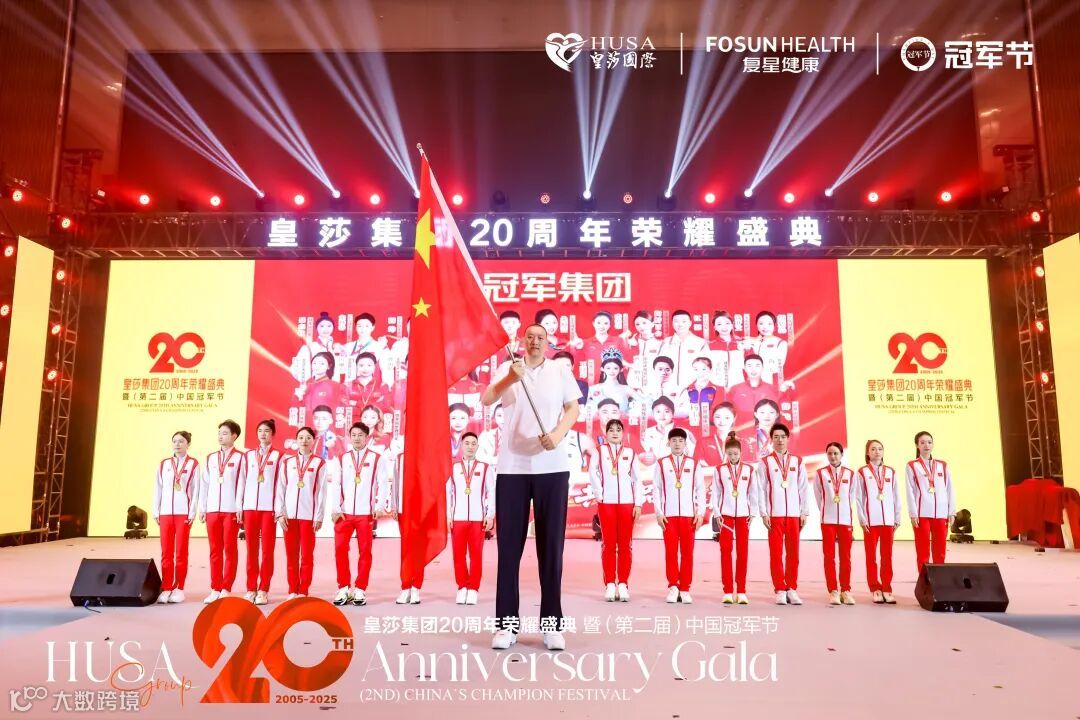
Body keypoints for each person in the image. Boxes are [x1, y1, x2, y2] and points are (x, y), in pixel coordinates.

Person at [482, 324, 582, 652]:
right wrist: (510, 379)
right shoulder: (509, 367)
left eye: (541, 337)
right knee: (509, 550)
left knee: (551, 550)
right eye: (530, 337)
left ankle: (551, 626)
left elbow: (573, 408)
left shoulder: (559, 370)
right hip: (512, 467)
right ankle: (506, 626)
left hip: (552, 467)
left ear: (547, 342)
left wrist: (557, 435)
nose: (535, 341)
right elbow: (487, 398)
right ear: (522, 341)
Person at [329, 422, 390, 607]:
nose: (356, 438)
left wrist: (379, 505)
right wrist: (335, 508)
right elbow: (336, 484)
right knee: (340, 549)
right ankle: (343, 587)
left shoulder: (377, 459)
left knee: (365, 551)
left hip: (366, 514)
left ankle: (360, 588)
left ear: (367, 437)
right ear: (350, 437)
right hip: (344, 514)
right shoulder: (342, 458)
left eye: (360, 435)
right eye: (353, 435)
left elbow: (383, 483)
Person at [587, 419, 643, 602]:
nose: (615, 433)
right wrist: (599, 494)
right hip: (607, 503)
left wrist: (638, 503)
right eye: (611, 430)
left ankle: (623, 584)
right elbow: (592, 472)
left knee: (625, 545)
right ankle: (610, 583)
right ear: (606, 433)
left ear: (623, 433)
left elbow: (637, 479)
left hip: (627, 503)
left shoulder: (630, 453)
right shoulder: (599, 451)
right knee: (609, 544)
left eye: (618, 430)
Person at [755, 423, 809, 605]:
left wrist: (804, 511)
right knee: (776, 554)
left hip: (794, 515)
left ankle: (791, 588)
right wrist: (764, 513)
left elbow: (803, 488)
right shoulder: (765, 462)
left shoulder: (797, 461)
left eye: (783, 437)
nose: (780, 440)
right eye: (776, 437)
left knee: (793, 554)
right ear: (771, 439)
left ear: (788, 438)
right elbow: (760, 489)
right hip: (774, 515)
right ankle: (779, 589)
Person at [275, 426, 329, 600]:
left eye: (308, 438)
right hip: (289, 517)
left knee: (306, 555)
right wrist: (280, 513)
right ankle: (292, 589)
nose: (304, 441)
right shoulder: (287, 463)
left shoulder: (319, 463)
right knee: (291, 555)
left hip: (308, 517)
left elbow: (321, 492)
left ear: (313, 441)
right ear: (296, 440)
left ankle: (303, 590)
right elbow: (280, 489)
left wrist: (319, 516)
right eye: (301, 437)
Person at [653, 428, 706, 604]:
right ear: (668, 443)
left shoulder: (694, 464)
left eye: (680, 441)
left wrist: (700, 513)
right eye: (674, 440)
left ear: (685, 443)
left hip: (689, 516)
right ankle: (673, 587)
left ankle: (684, 588)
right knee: (670, 552)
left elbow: (700, 489)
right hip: (668, 517)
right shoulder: (661, 463)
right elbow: (656, 489)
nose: (677, 444)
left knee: (687, 553)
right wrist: (659, 513)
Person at [200, 420, 246, 604]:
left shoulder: (241, 458)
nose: (220, 436)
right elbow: (205, 484)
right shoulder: (211, 458)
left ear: (234, 436)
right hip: (212, 510)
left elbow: (242, 484)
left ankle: (226, 587)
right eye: (219, 433)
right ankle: (215, 588)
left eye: (225, 433)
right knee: (214, 550)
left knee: (230, 549)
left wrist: (239, 507)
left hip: (230, 510)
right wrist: (203, 507)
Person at [448, 432, 495, 605]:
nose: (470, 446)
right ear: (461, 446)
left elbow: (492, 492)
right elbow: (447, 493)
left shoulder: (485, 468)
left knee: (476, 555)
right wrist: (448, 515)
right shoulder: (453, 468)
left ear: (477, 447)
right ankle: (462, 587)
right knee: (458, 555)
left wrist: (490, 515)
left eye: (473, 443)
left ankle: (473, 588)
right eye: (467, 443)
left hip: (478, 518)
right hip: (458, 518)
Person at [154, 431, 199, 604]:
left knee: (180, 552)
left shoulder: (193, 464)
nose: (177, 444)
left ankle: (179, 588)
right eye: (174, 441)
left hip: (183, 514)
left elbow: (196, 490)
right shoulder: (164, 464)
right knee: (166, 553)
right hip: (165, 513)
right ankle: (166, 587)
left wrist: (192, 512)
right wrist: (156, 510)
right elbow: (158, 488)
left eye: (181, 441)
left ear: (188, 444)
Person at [241, 420, 283, 605]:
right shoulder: (248, 456)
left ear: (272, 434)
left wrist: (278, 509)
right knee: (251, 550)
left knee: (267, 551)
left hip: (268, 510)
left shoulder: (279, 456)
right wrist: (240, 506)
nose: (263, 434)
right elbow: (242, 482)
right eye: (260, 431)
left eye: (266, 431)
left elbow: (280, 485)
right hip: (250, 508)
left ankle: (263, 589)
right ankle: (251, 588)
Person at [855, 439, 901, 604]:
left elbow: (896, 496)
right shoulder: (862, 472)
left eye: (880, 449)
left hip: (888, 520)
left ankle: (887, 588)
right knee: (871, 557)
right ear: (867, 453)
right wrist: (862, 519)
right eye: (873, 449)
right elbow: (859, 497)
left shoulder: (891, 472)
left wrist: (897, 517)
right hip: (870, 521)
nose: (877, 452)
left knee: (887, 556)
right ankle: (875, 588)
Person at [713, 432, 756, 605]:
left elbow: (753, 493)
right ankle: (728, 591)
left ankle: (742, 591)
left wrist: (753, 513)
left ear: (741, 453)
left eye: (735, 454)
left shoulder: (749, 470)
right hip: (726, 516)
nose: (733, 457)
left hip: (743, 516)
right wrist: (717, 513)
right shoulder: (720, 470)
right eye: (729, 454)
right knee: (725, 552)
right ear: (726, 453)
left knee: (742, 552)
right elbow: (716, 493)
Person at [905, 431, 955, 573]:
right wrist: (913, 513)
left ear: (933, 444)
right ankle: (925, 580)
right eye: (922, 442)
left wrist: (951, 511)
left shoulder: (942, 465)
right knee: (923, 549)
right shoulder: (912, 465)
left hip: (941, 513)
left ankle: (939, 578)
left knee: (940, 549)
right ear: (917, 445)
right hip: (921, 514)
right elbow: (910, 491)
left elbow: (950, 488)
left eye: (929, 442)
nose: (926, 445)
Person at [813, 442, 856, 606]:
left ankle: (846, 590)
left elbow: (852, 496)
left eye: (836, 453)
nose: (833, 456)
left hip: (845, 520)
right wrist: (826, 510)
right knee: (829, 557)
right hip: (828, 521)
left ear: (841, 455)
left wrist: (843, 509)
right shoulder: (821, 473)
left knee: (846, 557)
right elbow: (818, 496)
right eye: (830, 453)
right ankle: (833, 590)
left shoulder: (850, 474)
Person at [571, 311, 632, 385]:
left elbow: (625, 361)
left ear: (609, 325)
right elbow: (578, 364)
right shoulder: (585, 343)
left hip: (613, 383)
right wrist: (576, 348)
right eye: (598, 323)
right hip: (592, 384)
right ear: (593, 323)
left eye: (605, 323)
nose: (602, 326)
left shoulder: (618, 341)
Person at [657, 310, 710, 389]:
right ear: (672, 323)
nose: (680, 324)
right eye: (676, 321)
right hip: (668, 388)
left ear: (690, 323)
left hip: (693, 389)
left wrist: (700, 385)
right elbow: (658, 365)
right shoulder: (666, 342)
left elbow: (707, 367)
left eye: (684, 321)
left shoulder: (700, 343)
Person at [297, 352, 349, 422]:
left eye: (321, 363)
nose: (317, 366)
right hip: (307, 425)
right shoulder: (305, 385)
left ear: (329, 366)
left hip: (327, 425)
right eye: (314, 363)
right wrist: (299, 397)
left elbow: (343, 410)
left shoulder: (336, 386)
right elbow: (297, 408)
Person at [749, 311, 789, 384]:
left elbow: (778, 366)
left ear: (774, 325)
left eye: (769, 324)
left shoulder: (780, 343)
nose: (765, 327)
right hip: (752, 381)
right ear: (756, 325)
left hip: (771, 381)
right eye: (761, 323)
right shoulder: (752, 342)